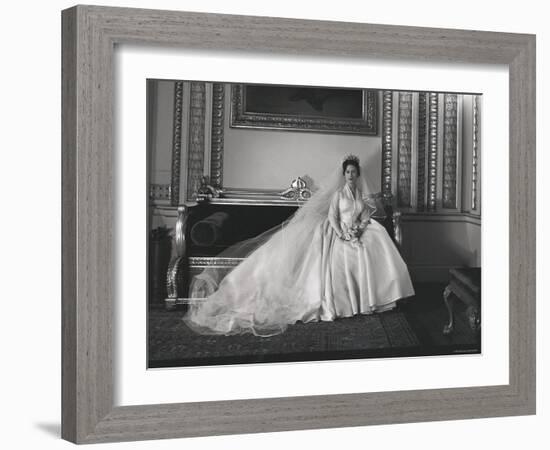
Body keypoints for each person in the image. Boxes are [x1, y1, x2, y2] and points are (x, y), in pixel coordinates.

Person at [183, 155, 415, 337]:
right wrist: (342, 233)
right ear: (343, 175)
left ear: (358, 174)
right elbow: (333, 217)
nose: (351, 176)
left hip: (355, 230)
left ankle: (375, 300)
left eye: (354, 172)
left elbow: (364, 215)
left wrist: (360, 228)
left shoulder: (360, 197)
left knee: (377, 239)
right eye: (348, 172)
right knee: (332, 258)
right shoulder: (338, 195)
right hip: (337, 230)